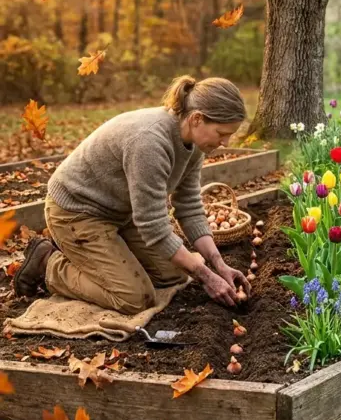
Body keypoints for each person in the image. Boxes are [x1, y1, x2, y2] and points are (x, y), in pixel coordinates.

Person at [14, 76, 251, 313]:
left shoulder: (195, 145)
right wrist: (205, 276)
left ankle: (107, 257)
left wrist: (219, 266)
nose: (226, 142)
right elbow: (154, 227)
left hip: (120, 213)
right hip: (77, 212)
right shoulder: (150, 142)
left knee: (176, 273)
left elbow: (188, 206)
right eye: (222, 133)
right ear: (197, 118)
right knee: (134, 298)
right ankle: (47, 263)